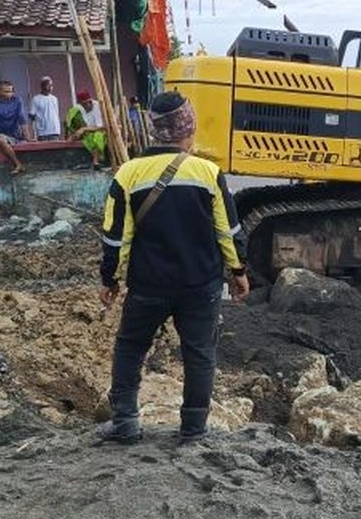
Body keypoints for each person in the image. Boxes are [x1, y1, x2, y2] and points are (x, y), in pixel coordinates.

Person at [95, 91, 249, 444]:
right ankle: (194, 429)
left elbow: (117, 237)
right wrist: (238, 271)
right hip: (201, 284)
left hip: (149, 284)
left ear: (154, 131)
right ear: (188, 130)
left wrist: (109, 278)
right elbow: (227, 231)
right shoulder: (208, 172)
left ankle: (125, 424)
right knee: (199, 353)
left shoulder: (128, 174)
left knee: (131, 348)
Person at [0, 80, 29, 175]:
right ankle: (17, 164)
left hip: (16, 134)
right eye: (6, 91)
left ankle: (18, 165)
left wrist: (28, 137)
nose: (10, 94)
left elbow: (22, 119)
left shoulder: (17, 100)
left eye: (11, 91)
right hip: (2, 134)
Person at [67, 89, 107, 170]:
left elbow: (102, 127)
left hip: (100, 131)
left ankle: (96, 162)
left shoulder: (98, 107)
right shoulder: (79, 108)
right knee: (72, 112)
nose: (86, 105)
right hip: (86, 131)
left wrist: (84, 129)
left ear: (90, 101)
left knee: (97, 136)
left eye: (87, 103)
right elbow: (70, 117)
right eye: (83, 104)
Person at [29, 76, 62, 141]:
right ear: (42, 86)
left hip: (55, 131)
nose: (50, 87)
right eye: (48, 85)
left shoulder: (54, 99)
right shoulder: (36, 99)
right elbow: (31, 116)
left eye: (51, 85)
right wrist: (33, 133)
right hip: (43, 133)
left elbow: (56, 114)